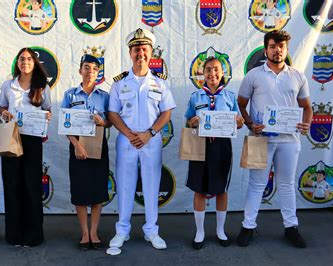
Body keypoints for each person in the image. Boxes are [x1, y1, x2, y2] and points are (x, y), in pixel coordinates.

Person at [237, 30, 312, 248]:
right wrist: (251, 124)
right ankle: (248, 226)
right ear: (266, 49)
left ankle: (291, 227)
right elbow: (241, 104)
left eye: (281, 46)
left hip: (289, 139)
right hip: (260, 138)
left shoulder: (298, 75)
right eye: (272, 46)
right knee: (256, 184)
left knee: (287, 184)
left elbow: (307, 107)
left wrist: (306, 123)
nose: (277, 50)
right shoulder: (253, 76)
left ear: (286, 49)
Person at [108, 28, 176, 250]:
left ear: (151, 53)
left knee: (151, 186)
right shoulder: (119, 82)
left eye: (144, 49)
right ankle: (122, 231)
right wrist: (129, 134)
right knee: (125, 185)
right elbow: (113, 113)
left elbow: (167, 112)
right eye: (137, 49)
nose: (141, 54)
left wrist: (149, 134)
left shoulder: (160, 82)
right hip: (127, 140)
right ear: (130, 52)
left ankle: (151, 231)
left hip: (151, 140)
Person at [184, 57, 244, 250]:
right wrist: (192, 122)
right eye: (208, 70)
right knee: (199, 189)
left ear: (222, 73)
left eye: (216, 70)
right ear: (202, 73)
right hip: (200, 146)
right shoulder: (195, 97)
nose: (212, 74)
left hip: (221, 147)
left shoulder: (229, 97)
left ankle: (220, 230)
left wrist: (240, 122)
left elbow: (238, 120)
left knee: (221, 189)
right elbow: (187, 122)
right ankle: (199, 232)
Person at [0, 47, 52, 247]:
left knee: (32, 186)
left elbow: (48, 110)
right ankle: (14, 235)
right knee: (12, 185)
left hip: (32, 139)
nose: (25, 62)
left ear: (34, 63)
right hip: (11, 137)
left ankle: (33, 235)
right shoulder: (8, 85)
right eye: (21, 59)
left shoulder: (42, 86)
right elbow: (2, 106)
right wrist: (4, 113)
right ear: (17, 63)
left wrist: (47, 118)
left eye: (29, 59)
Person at [61, 54, 111, 250]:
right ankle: (84, 233)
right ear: (80, 70)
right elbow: (65, 125)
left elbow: (111, 122)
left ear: (98, 73)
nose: (90, 71)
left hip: (99, 147)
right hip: (77, 147)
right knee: (80, 191)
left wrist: (103, 122)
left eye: (94, 69)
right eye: (86, 67)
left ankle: (94, 232)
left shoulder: (104, 96)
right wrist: (77, 145)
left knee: (98, 191)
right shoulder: (70, 95)